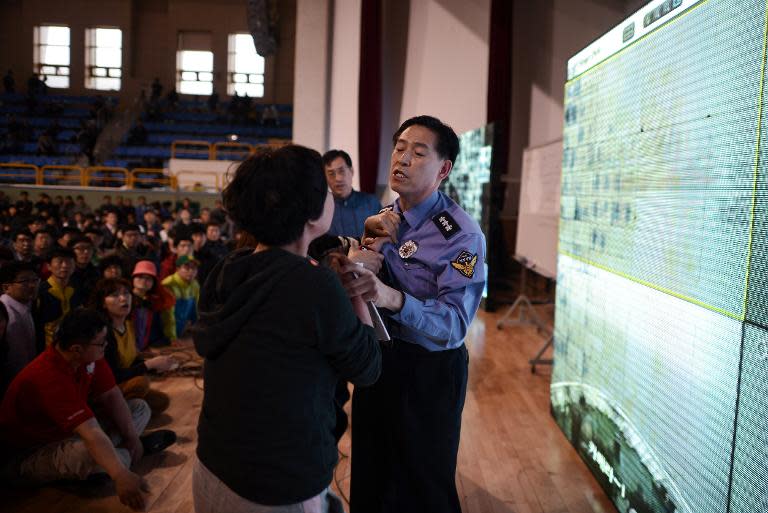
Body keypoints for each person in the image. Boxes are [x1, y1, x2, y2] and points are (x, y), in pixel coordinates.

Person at [189, 144, 381, 513]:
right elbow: (368, 366)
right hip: (280, 485)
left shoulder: (229, 268)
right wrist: (357, 286)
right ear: (311, 212)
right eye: (326, 191)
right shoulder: (315, 286)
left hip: (213, 465)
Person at [345, 115, 487, 513]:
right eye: (400, 147)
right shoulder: (386, 215)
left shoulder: (461, 236)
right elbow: (379, 263)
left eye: (418, 152)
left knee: (423, 483)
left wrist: (391, 298)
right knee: (372, 472)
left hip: (429, 371)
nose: (403, 159)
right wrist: (366, 258)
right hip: (381, 360)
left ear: (443, 168)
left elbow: (454, 325)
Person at [0, 308, 175, 511]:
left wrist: (132, 437)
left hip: (69, 433)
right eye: (101, 343)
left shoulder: (88, 358)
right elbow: (90, 432)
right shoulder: (48, 376)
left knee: (139, 407)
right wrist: (119, 474)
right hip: (27, 455)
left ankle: (113, 459)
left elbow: (111, 395)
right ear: (76, 349)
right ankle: (116, 461)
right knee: (86, 453)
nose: (106, 346)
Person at [90, 278, 174, 414]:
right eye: (115, 295)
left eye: (126, 293)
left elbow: (130, 362)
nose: (123, 298)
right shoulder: (103, 332)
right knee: (141, 383)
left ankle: (129, 410)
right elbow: (113, 375)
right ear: (103, 303)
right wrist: (149, 365)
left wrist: (157, 364)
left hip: (121, 383)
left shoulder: (128, 324)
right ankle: (110, 415)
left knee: (162, 401)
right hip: (105, 388)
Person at [322, 149, 381, 238]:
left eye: (341, 171)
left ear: (352, 171)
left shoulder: (371, 203)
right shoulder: (321, 208)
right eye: (331, 174)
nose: (338, 178)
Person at [0, 262, 38, 394]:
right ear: (6, 287)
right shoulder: (7, 313)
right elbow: (16, 358)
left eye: (35, 280)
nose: (33, 285)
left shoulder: (26, 305)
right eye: (25, 281)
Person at [34, 247, 83, 349]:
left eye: (69, 262)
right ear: (49, 266)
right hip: (46, 346)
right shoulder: (40, 291)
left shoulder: (77, 288)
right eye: (60, 262)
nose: (65, 266)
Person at [131, 260, 176, 349]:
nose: (144, 281)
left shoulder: (153, 302)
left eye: (148, 278)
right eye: (140, 276)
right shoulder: (126, 299)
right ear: (133, 279)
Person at [161, 255, 199, 342]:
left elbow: (196, 309)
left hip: (182, 331)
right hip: (166, 333)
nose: (191, 271)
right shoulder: (169, 284)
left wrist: (197, 329)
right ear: (177, 269)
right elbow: (168, 316)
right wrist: (172, 337)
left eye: (194, 268)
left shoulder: (195, 284)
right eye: (187, 268)